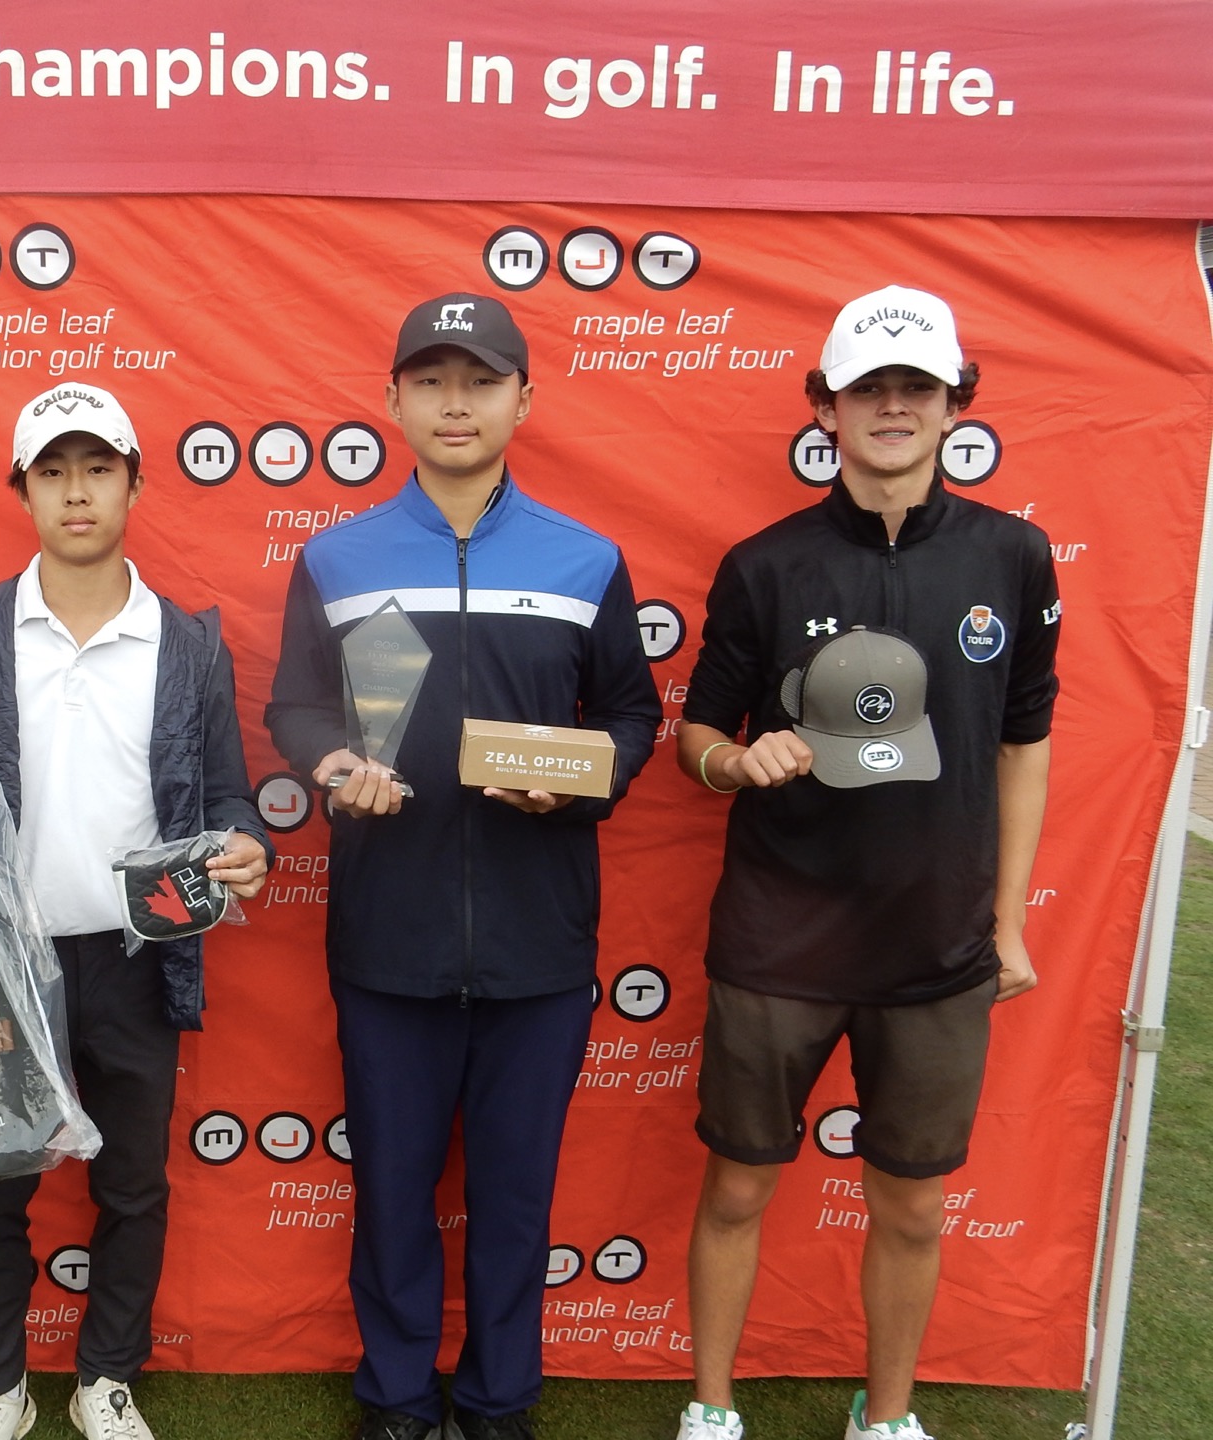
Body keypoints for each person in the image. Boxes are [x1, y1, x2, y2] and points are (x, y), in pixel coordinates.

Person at [265, 293, 661, 1440]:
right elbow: (295, 704)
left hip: (541, 943)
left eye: (481, 381)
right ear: (391, 400)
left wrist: (581, 779)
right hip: (388, 935)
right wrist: (333, 761)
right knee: (391, 1190)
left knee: (516, 1199)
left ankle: (497, 1401)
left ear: (523, 401)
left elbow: (631, 717)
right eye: (431, 380)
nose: (455, 403)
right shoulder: (335, 558)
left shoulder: (587, 559)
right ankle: (395, 1399)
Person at [672, 286, 1059, 1440]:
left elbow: (1023, 745)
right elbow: (699, 731)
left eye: (917, 387)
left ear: (955, 405)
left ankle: (886, 1418)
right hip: (778, 936)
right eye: (868, 388)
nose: (893, 406)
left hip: (936, 942)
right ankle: (711, 1408)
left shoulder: (1015, 556)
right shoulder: (764, 565)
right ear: (826, 408)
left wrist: (1006, 922)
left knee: (915, 1206)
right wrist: (732, 763)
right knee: (738, 1185)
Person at [0, 381, 273, 1440]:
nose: (76, 492)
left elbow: (230, 797)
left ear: (135, 485)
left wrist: (248, 846)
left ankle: (106, 1380)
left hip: (138, 953)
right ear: (24, 493)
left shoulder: (187, 642)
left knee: (132, 1184)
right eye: (53, 472)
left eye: (97, 469)